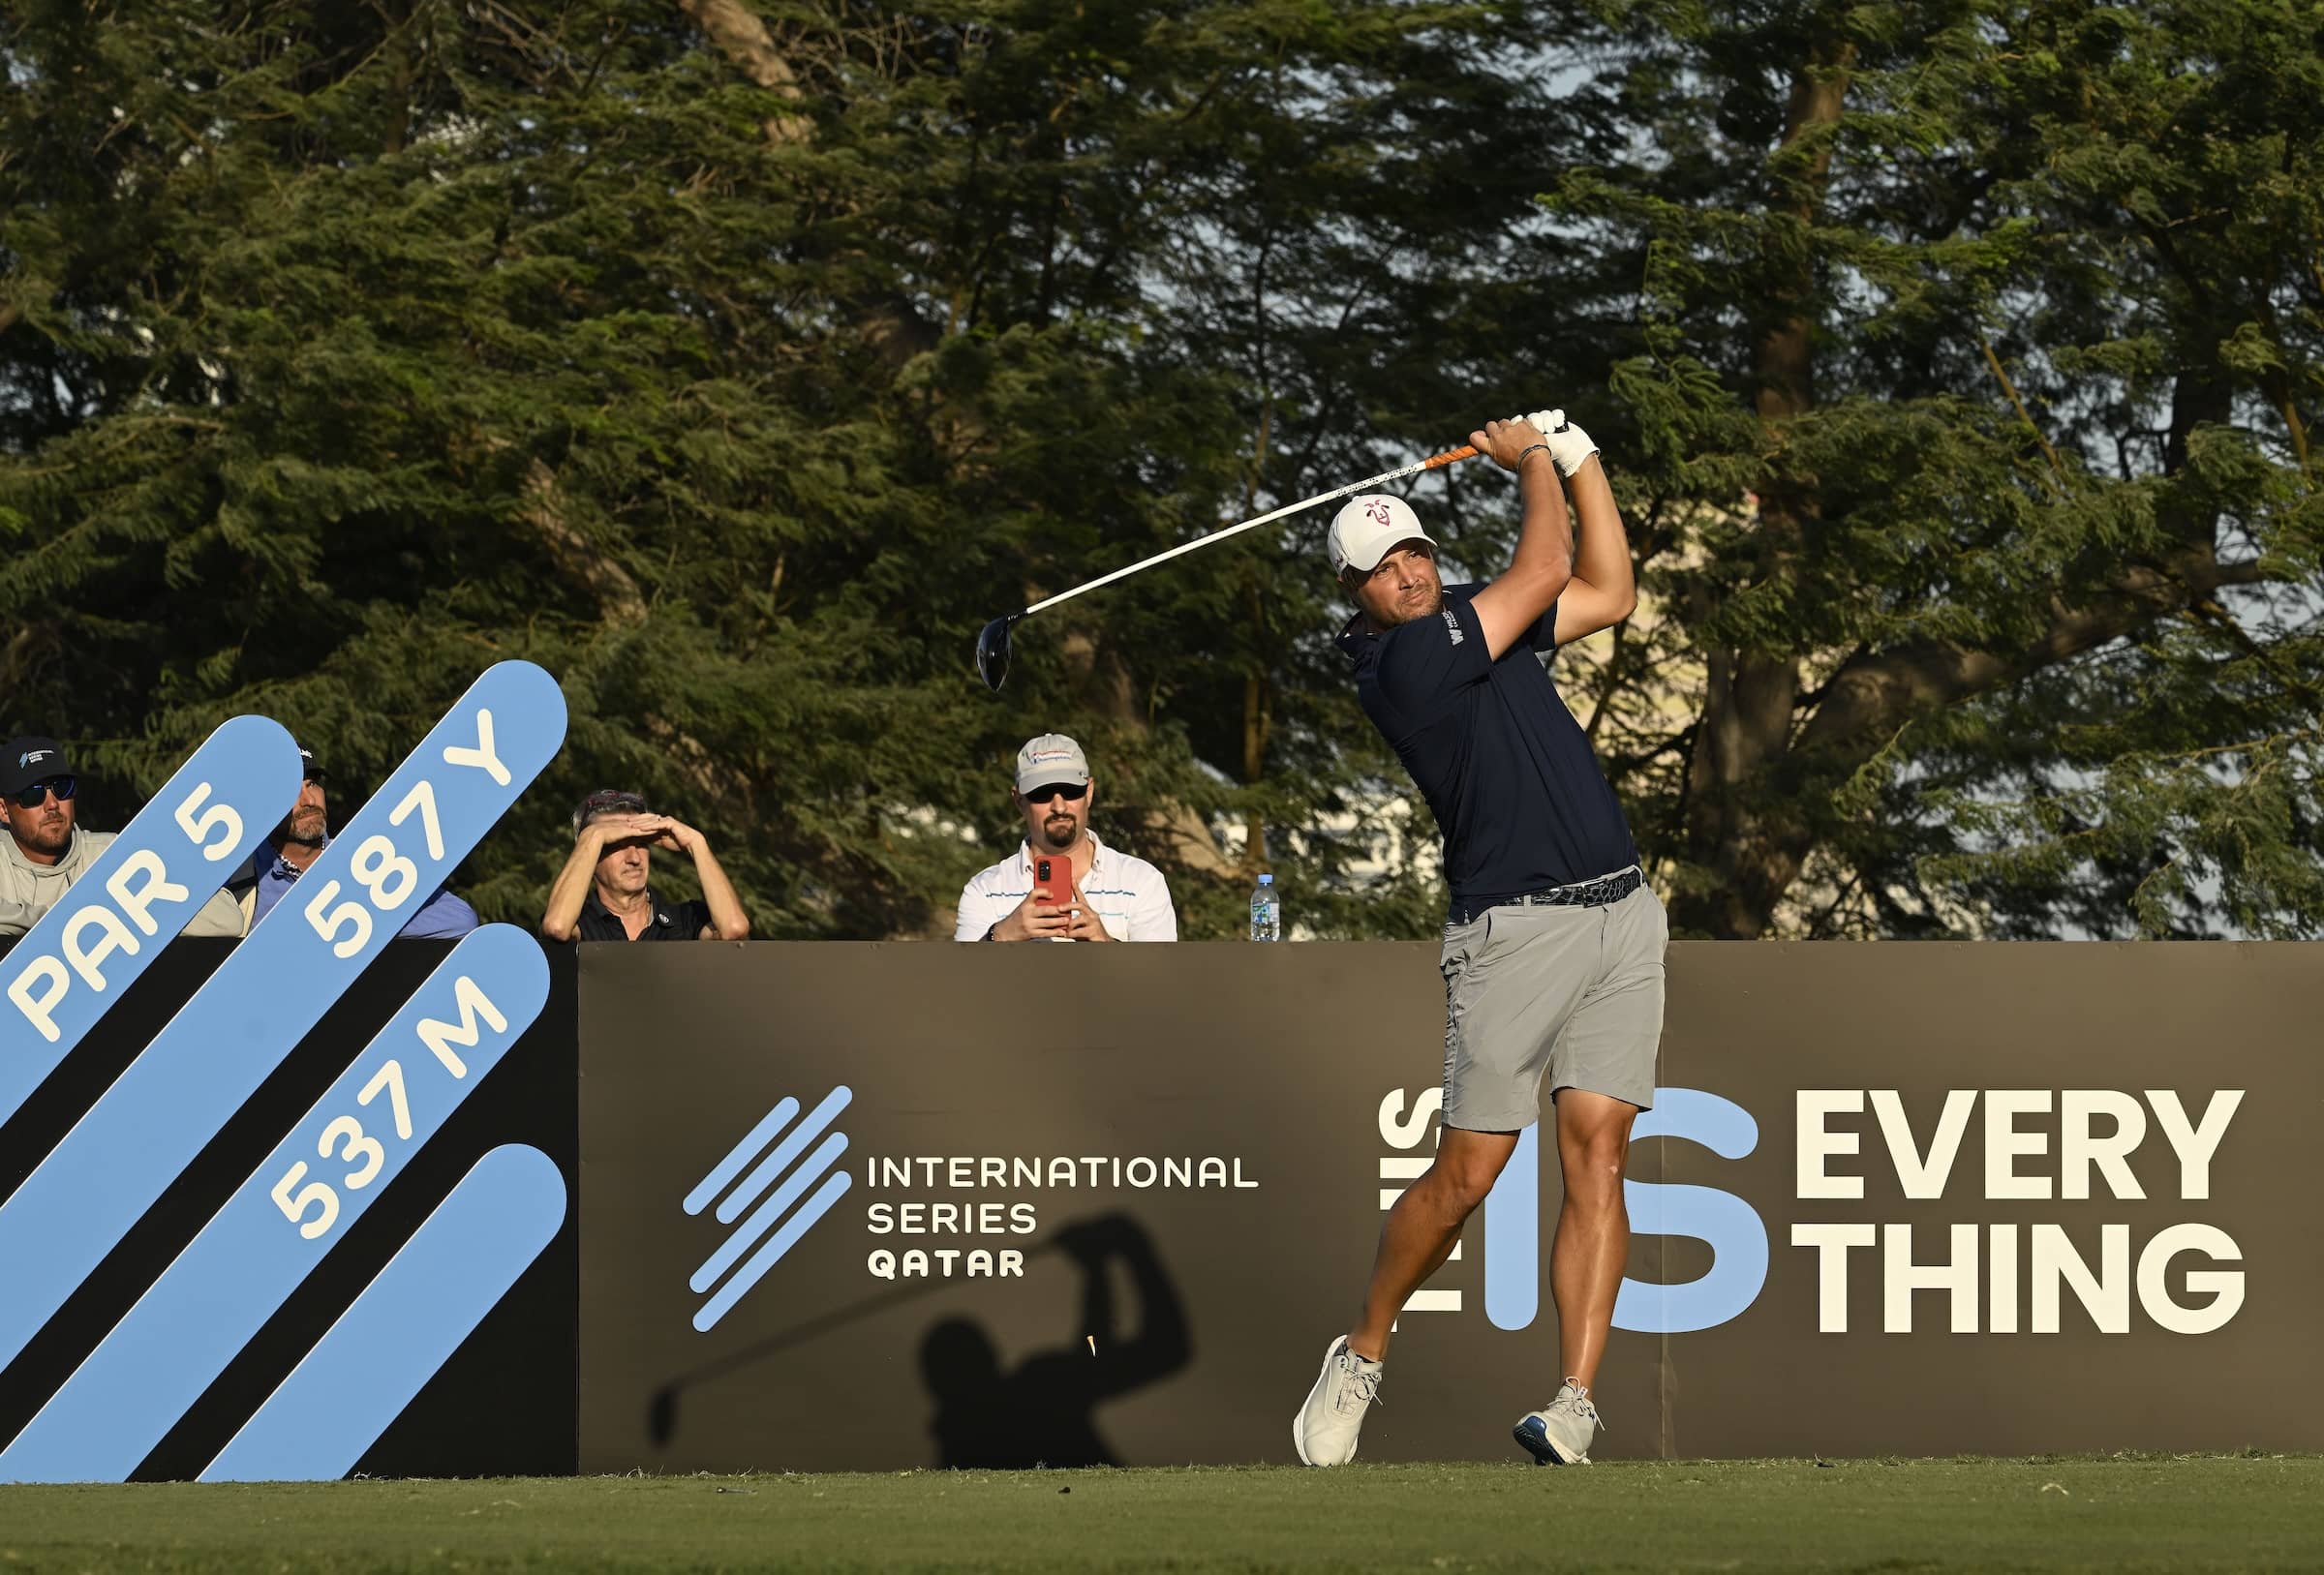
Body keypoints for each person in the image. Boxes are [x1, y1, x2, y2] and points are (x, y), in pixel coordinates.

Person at [1292, 411, 1664, 1469]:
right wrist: (1533, 456)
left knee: (1598, 1151)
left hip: (1623, 913)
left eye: (1414, 550)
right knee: (1468, 1174)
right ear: (1354, 592)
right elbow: (1545, 561)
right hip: (1515, 930)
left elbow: (1608, 589)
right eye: (1382, 565)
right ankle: (1362, 1349)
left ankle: (1575, 1405)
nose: (1407, 574)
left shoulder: (1473, 617)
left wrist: (1587, 457)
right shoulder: (1401, 665)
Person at [0, 734, 244, 939]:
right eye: (33, 795)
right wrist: (85, 925)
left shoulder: (113, 854)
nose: (52, 804)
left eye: (63, 788)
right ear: (4, 811)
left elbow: (227, 920)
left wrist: (129, 916)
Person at [955, 735, 1176, 942]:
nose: (1059, 807)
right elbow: (959, 979)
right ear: (1019, 801)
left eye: (1070, 791)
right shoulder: (985, 890)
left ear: (1089, 792)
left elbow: (1161, 978)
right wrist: (1001, 935)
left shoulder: (1142, 882)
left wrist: (1107, 945)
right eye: (1041, 794)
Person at [246, 742, 479, 938]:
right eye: (292, 792)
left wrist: (365, 925)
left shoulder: (359, 859)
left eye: (313, 784)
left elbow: (460, 920)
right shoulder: (246, 872)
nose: (309, 800)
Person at [538, 789, 750, 942]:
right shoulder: (581, 921)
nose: (634, 858)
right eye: (617, 845)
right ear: (591, 857)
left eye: (641, 844)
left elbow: (734, 931)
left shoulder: (684, 921)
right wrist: (592, 836)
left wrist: (697, 843)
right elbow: (556, 927)